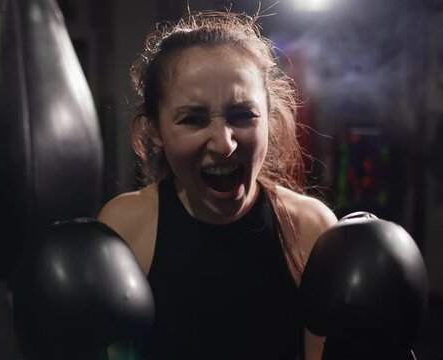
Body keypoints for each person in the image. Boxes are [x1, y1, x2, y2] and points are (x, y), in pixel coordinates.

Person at [98, 10, 337, 360]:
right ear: (154, 130)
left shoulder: (309, 229)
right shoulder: (126, 226)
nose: (224, 144)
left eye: (242, 115)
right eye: (193, 119)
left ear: (270, 119)